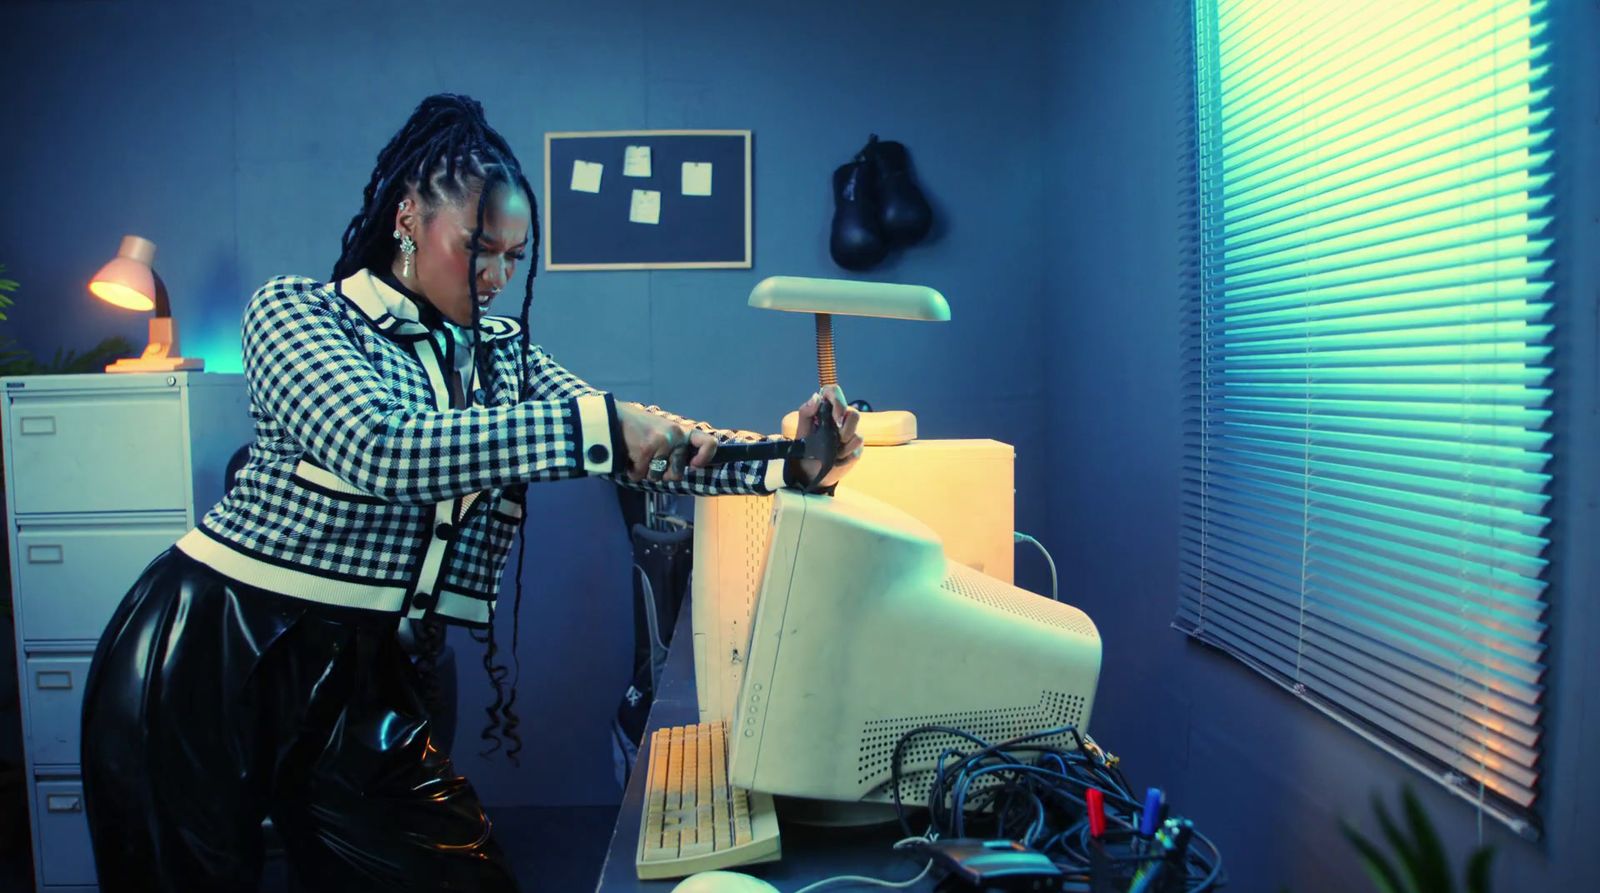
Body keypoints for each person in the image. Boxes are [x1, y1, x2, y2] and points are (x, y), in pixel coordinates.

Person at [79, 93, 863, 893]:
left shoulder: (498, 355)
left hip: (369, 675)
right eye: (479, 249)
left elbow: (638, 443)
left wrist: (788, 460)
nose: (495, 277)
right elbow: (378, 447)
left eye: (515, 259)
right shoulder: (298, 313)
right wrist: (595, 426)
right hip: (212, 651)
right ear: (409, 214)